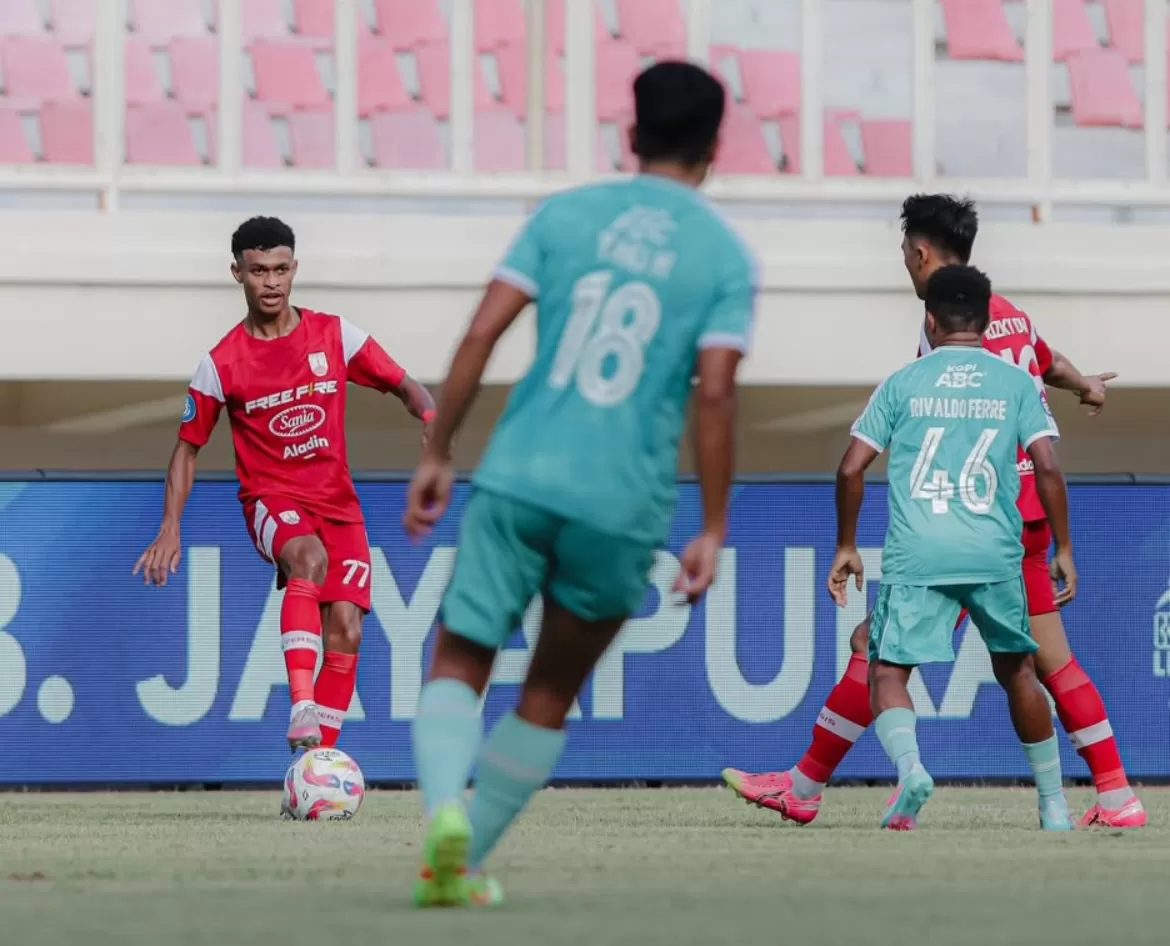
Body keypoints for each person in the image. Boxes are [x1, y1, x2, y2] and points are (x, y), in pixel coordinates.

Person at [402, 61, 755, 907]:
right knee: (551, 691)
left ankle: (445, 808)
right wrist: (711, 523)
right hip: (623, 505)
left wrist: (438, 449)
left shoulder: (563, 215)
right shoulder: (724, 256)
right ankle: (462, 859)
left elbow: (482, 333)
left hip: (520, 476)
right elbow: (714, 394)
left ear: (630, 137)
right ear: (714, 149)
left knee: (457, 656)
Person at [724, 194, 1144, 829]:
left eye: (903, 253)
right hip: (1021, 518)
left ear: (920, 253)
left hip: (964, 518)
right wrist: (1085, 384)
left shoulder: (936, 331)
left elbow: (900, 441)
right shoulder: (1010, 316)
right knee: (1044, 664)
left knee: (878, 651)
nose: (903, 264)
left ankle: (806, 784)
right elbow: (1045, 362)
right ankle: (1110, 796)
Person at [134, 216, 434, 762]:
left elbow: (403, 384)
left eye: (279, 269)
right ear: (237, 274)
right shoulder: (220, 364)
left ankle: (317, 766)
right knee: (306, 558)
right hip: (272, 501)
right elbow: (187, 448)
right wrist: (170, 526)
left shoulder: (335, 336)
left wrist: (431, 414)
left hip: (339, 505)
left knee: (346, 629)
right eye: (257, 271)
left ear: (294, 269)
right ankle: (300, 704)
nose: (270, 281)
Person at [829, 264, 1074, 830]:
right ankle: (1054, 803)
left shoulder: (902, 382)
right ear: (987, 323)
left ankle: (911, 770)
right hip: (994, 551)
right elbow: (1048, 467)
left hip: (920, 553)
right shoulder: (1015, 383)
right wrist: (1063, 547)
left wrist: (846, 544)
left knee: (887, 670)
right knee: (1020, 674)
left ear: (930, 320)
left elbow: (849, 470)